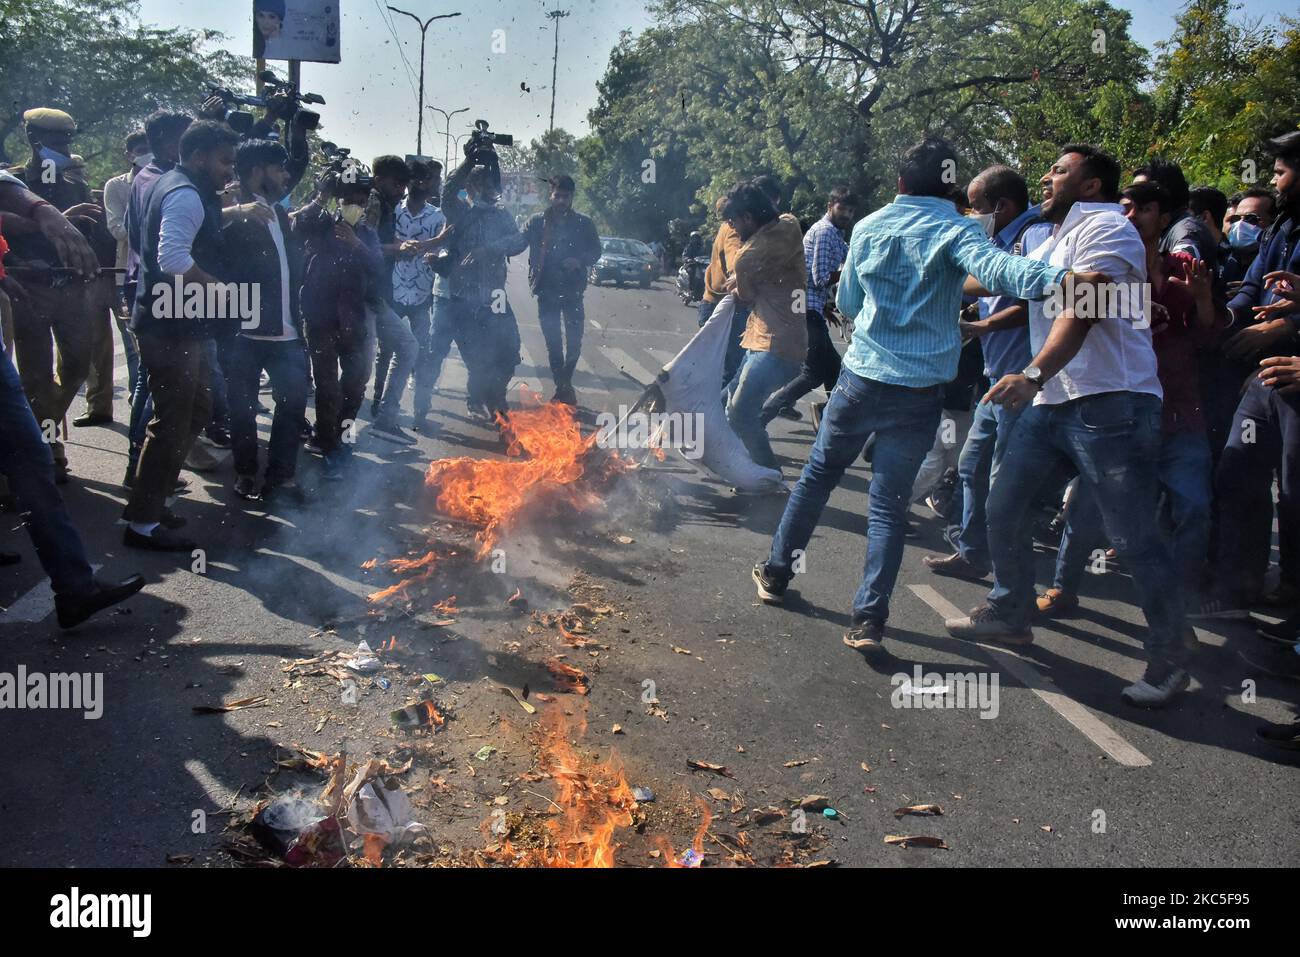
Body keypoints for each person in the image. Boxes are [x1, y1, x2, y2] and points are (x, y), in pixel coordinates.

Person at [753, 137, 1081, 655]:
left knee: (817, 478)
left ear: (901, 183)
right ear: (951, 187)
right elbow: (1002, 272)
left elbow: (848, 300)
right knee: (887, 505)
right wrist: (1070, 282)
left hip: (862, 378)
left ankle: (775, 574)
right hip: (920, 391)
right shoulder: (958, 228)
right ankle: (868, 619)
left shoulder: (869, 226)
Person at [942, 144, 1192, 708]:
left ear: (1092, 187)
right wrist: (931, 274)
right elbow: (1003, 282)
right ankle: (1010, 612)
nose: (1046, 177)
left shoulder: (1110, 228)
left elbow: (1084, 304)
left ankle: (1171, 656)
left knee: (1131, 536)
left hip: (1111, 405)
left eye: (1059, 170)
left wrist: (1030, 373)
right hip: (1055, 402)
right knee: (1003, 505)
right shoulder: (1055, 239)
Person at [1039, 181, 1224, 634]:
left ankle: (1173, 614)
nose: (1130, 215)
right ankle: (1064, 585)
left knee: (1194, 510)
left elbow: (1210, 339)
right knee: (1087, 506)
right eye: (1124, 206)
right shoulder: (1102, 261)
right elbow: (1073, 308)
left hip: (1179, 412)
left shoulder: (1187, 268)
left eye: (1143, 208)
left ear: (1164, 218)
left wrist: (1201, 301)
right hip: (1115, 412)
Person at [925, 165, 1051, 581]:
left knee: (1004, 481)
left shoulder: (1032, 237)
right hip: (996, 375)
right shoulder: (996, 238)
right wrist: (970, 312)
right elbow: (989, 293)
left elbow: (1035, 299)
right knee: (972, 465)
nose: (969, 213)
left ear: (1001, 205)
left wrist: (981, 326)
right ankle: (973, 551)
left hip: (1023, 378)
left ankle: (1010, 580)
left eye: (976, 206)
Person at [1197, 131, 1300, 626]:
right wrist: (1230, 323)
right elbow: (1254, 286)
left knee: (1296, 496)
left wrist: (1289, 326)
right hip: (1265, 379)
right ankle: (1240, 588)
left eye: (1282, 171)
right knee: (1237, 476)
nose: (1275, 180)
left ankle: (1291, 605)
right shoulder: (1283, 229)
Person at [123, 120, 241, 552]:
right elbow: (172, 257)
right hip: (167, 325)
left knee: (197, 410)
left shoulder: (179, 186)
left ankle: (157, 498)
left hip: (182, 322)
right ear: (197, 157)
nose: (230, 171)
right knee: (172, 420)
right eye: (225, 161)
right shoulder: (184, 193)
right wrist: (221, 289)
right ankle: (142, 523)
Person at [3, 108, 109, 483]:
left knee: (78, 367)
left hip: (71, 293)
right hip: (29, 292)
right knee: (35, 377)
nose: (66, 147)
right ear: (35, 139)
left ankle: (41, 424)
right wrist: (21, 259)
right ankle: (49, 449)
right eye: (58, 140)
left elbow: (89, 237)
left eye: (68, 140)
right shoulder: (11, 184)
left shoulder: (75, 185)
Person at [223, 139, 310, 506]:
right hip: (243, 331)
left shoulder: (277, 212)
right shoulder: (232, 211)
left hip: (287, 331)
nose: (285, 175)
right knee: (240, 407)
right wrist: (229, 211)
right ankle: (245, 472)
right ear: (257, 172)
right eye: (278, 168)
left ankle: (281, 476)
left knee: (291, 404)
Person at [295, 176, 381, 480]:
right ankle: (329, 446)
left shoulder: (367, 235)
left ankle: (342, 436)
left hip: (353, 322)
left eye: (361, 201)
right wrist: (321, 196)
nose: (355, 207)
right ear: (338, 201)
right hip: (320, 320)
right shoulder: (320, 225)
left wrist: (356, 245)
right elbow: (297, 226)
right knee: (327, 387)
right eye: (348, 201)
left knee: (356, 384)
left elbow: (378, 269)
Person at [720, 182, 806, 471]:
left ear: (747, 218)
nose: (732, 228)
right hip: (774, 341)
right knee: (722, 403)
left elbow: (745, 296)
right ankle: (735, 462)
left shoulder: (747, 257)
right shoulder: (790, 224)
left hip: (773, 347)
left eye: (733, 222)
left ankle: (770, 476)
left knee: (740, 414)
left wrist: (737, 283)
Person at [760, 186, 858, 425]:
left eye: (850, 211)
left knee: (834, 370)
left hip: (811, 308)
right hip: (804, 310)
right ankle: (759, 417)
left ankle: (828, 418)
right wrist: (849, 273)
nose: (846, 214)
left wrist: (825, 306)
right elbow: (820, 277)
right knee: (813, 373)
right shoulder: (825, 232)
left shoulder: (836, 234)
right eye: (841, 208)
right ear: (830, 207)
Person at [441, 156, 527, 424]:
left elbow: (517, 242)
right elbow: (447, 192)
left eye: (490, 185)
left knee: (510, 350)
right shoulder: (459, 212)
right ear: (471, 186)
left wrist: (488, 250)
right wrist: (469, 159)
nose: (488, 190)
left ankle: (496, 397)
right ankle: (477, 399)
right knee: (476, 355)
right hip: (463, 297)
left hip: (495, 296)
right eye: (480, 184)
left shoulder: (501, 216)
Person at [523, 174, 601, 406]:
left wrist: (579, 260)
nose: (561, 201)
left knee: (575, 343)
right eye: (557, 195)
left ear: (571, 198)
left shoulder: (584, 223)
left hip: (573, 293)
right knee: (553, 344)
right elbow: (518, 241)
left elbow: (596, 252)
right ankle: (563, 387)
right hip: (546, 293)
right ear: (551, 195)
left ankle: (564, 385)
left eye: (565, 197)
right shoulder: (537, 222)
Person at [388, 160, 450, 432]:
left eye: (425, 181)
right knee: (387, 354)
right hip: (394, 293)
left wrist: (436, 253)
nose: (420, 185)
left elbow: (446, 248)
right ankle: (384, 411)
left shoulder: (438, 217)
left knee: (422, 353)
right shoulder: (392, 211)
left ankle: (419, 415)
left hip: (423, 296)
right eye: (414, 181)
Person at [366, 155, 419, 443]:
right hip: (362, 298)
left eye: (404, 186)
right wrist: (396, 249)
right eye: (397, 184)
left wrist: (399, 247)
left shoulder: (385, 205)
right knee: (356, 374)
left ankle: (385, 419)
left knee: (407, 346)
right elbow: (363, 244)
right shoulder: (372, 202)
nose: (401, 191)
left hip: (374, 297)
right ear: (379, 180)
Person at [99, 129, 152, 403]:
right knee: (136, 350)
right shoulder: (117, 186)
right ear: (129, 155)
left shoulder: (167, 180)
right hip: (129, 277)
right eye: (141, 149)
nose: (146, 154)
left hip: (162, 277)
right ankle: (138, 404)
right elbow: (117, 230)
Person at [1132, 157, 1218, 270]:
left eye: (1140, 191)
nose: (1131, 198)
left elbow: (1182, 267)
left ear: (1164, 192)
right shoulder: (1166, 229)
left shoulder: (1186, 231)